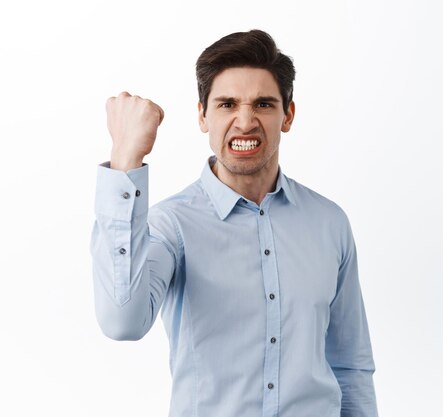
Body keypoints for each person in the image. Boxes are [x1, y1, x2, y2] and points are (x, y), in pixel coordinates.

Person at [90, 29, 378, 417]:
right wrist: (126, 158)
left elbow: (350, 366)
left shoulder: (329, 223)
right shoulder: (172, 226)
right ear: (202, 115)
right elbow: (122, 320)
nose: (245, 122)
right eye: (227, 104)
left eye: (263, 104)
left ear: (288, 115)